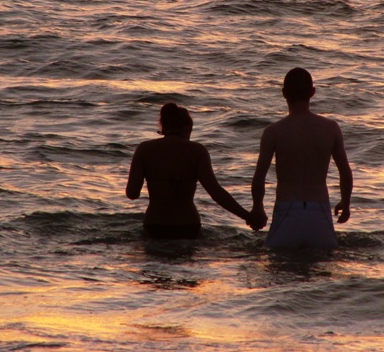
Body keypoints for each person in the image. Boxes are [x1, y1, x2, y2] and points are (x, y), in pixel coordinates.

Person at [250, 67, 353, 249]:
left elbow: (259, 178)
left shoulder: (273, 132)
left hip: (286, 211)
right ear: (312, 92)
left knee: (273, 259)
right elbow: (345, 173)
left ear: (284, 93)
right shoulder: (331, 128)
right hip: (319, 212)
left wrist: (257, 207)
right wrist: (346, 202)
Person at [126, 103, 257, 239]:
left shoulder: (144, 149)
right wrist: (248, 217)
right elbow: (215, 192)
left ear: (163, 125)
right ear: (187, 128)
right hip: (188, 225)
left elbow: (132, 193)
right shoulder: (197, 151)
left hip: (154, 224)